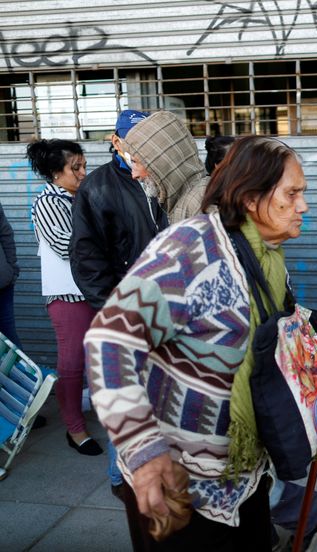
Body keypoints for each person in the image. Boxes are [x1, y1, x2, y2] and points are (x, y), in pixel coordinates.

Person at [85, 136, 317, 550]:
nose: (303, 206)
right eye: (293, 193)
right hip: (181, 488)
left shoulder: (265, 254)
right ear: (252, 198)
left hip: (243, 476)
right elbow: (110, 340)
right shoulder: (190, 249)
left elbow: (273, 342)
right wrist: (144, 453)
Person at [69, 109, 169, 504]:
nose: (139, 149)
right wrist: (115, 308)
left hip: (164, 310)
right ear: (116, 141)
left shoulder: (159, 177)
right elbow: (86, 258)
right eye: (133, 140)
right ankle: (119, 476)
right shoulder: (97, 187)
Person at [27, 139, 100, 455]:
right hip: (67, 294)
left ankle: (94, 407)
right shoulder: (46, 202)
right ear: (56, 172)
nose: (84, 173)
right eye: (76, 168)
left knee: (97, 357)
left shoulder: (82, 196)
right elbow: (66, 246)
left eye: (84, 165)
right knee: (71, 362)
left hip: (93, 288)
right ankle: (74, 428)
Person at [119, 110, 208, 222]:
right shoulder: (181, 198)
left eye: (135, 162)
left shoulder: (199, 203)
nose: (134, 175)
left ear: (159, 161)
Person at [0, 202, 21, 347]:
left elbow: (5, 233)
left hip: (3, 283)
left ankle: (22, 370)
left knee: (9, 342)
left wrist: (11, 269)